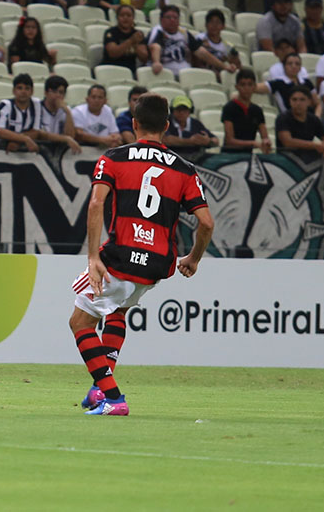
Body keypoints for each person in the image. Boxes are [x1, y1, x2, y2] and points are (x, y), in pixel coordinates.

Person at [70, 92, 214, 416]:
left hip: (120, 256)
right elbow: (206, 223)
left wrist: (93, 258)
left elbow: (96, 204)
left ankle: (113, 397)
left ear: (134, 124)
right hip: (157, 263)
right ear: (166, 125)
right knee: (117, 310)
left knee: (80, 323)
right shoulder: (185, 169)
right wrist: (193, 259)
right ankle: (98, 389)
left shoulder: (114, 158)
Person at [148, 5, 235, 78]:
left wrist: (224, 67)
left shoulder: (184, 33)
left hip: (185, 74)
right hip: (167, 73)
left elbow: (201, 52)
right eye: (168, 17)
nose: (172, 20)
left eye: (175, 17)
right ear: (161, 19)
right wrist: (156, 62)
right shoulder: (158, 30)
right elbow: (155, 46)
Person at [276, 85, 324, 162]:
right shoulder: (283, 118)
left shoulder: (313, 119)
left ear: (309, 102)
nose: (298, 103)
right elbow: (288, 142)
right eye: (294, 100)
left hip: (309, 161)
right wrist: (315, 145)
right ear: (290, 102)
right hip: (286, 161)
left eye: (302, 99)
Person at [221, 68, 272, 154]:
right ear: (237, 87)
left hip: (248, 156)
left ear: (254, 87)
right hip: (229, 155)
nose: (246, 88)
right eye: (243, 85)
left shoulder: (257, 110)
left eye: (250, 84)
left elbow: (265, 136)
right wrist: (253, 143)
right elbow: (229, 140)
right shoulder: (229, 108)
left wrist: (266, 142)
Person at [256, 52, 320, 114]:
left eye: (297, 64)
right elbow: (255, 87)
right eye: (290, 64)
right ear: (284, 67)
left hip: (309, 117)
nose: (294, 66)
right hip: (289, 118)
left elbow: (318, 104)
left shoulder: (307, 82)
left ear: (300, 67)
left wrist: (317, 117)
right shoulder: (279, 83)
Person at [0, 73, 42, 153]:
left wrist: (18, 141)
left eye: (27, 88)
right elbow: (0, 131)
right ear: (13, 91)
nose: (23, 92)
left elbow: (36, 132)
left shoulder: (36, 104)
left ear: (32, 91)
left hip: (26, 149)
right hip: (2, 149)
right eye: (19, 88)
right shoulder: (5, 105)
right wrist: (25, 139)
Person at [162, 95, 218, 160]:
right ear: (172, 110)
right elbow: (165, 140)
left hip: (195, 158)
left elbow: (215, 140)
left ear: (190, 111)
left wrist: (208, 141)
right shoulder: (166, 122)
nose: (182, 113)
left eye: (185, 110)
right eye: (178, 109)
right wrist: (191, 141)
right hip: (171, 157)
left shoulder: (196, 123)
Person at [101, 4, 148, 76]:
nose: (125, 18)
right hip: (110, 70)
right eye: (122, 15)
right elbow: (113, 53)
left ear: (133, 18)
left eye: (129, 15)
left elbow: (144, 58)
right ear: (117, 17)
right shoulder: (111, 32)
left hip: (130, 72)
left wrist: (136, 45)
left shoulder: (137, 34)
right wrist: (131, 41)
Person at [39, 75, 81, 152]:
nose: (58, 95)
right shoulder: (37, 108)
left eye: (61, 92)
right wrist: (65, 139)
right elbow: (39, 134)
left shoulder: (66, 110)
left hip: (59, 152)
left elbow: (70, 136)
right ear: (46, 93)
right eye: (54, 91)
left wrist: (67, 112)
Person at [194, 8, 241, 77]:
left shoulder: (228, 47)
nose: (214, 25)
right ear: (206, 25)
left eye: (218, 22)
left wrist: (233, 65)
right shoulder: (200, 39)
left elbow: (238, 66)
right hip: (202, 74)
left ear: (223, 26)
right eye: (211, 22)